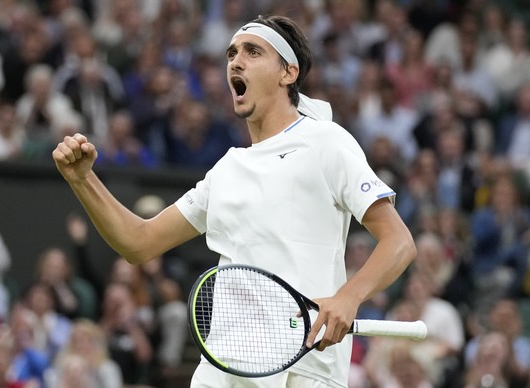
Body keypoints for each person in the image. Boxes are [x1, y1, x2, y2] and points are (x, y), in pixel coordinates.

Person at [52, 14, 416, 388]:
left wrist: (348, 297)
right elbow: (138, 243)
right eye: (231, 53)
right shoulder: (225, 171)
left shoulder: (326, 141)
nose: (235, 62)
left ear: (287, 73)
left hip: (305, 371)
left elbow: (399, 242)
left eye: (253, 52)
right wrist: (82, 180)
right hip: (225, 368)